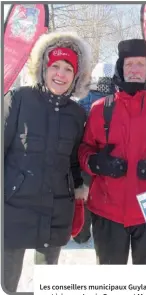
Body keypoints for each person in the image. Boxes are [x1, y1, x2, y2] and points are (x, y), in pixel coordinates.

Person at [78, 39, 146, 264]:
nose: (134, 70)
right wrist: (96, 163)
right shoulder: (100, 110)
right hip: (107, 212)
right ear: (120, 69)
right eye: (129, 64)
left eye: (140, 64)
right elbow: (84, 150)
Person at [3, 31, 91, 292]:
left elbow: (74, 161)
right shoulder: (18, 99)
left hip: (56, 209)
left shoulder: (77, 113)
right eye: (55, 66)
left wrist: (78, 192)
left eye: (68, 69)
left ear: (76, 76)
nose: (60, 74)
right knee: (7, 283)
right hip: (13, 205)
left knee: (47, 282)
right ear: (43, 67)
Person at [73, 63, 116, 244]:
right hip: (109, 159)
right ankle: (103, 231)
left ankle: (81, 234)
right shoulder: (116, 100)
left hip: (85, 157)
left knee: (83, 196)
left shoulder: (83, 100)